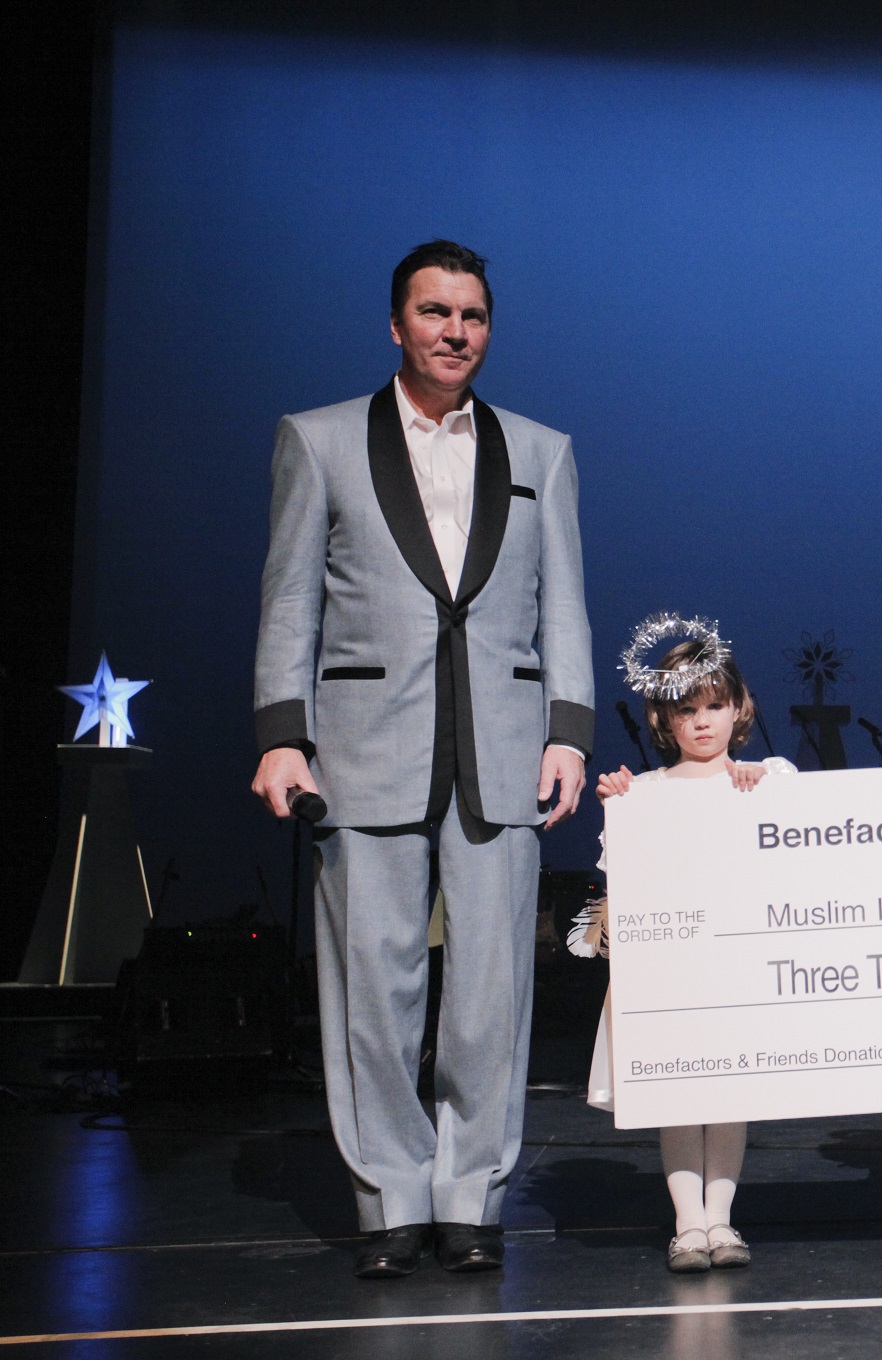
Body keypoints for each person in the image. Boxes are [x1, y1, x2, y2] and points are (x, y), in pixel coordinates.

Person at [250, 240, 594, 1278]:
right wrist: (281, 735)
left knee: (491, 993)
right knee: (373, 987)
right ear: (396, 324)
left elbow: (564, 602)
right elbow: (290, 598)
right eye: (435, 312)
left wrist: (569, 731)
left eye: (472, 315)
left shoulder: (541, 451)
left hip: (503, 747)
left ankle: (470, 1195)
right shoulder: (319, 440)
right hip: (365, 746)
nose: (455, 331)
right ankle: (392, 1199)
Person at [572, 627, 795, 1274]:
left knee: (726, 1096)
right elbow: (624, 885)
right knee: (677, 1094)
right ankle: (687, 1224)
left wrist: (760, 788)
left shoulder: (766, 778)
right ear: (664, 719)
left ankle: (721, 1219)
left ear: (738, 708)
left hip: (734, 966)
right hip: (674, 971)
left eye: (714, 706)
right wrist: (620, 805)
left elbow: (794, 847)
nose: (702, 721)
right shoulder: (644, 791)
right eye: (687, 709)